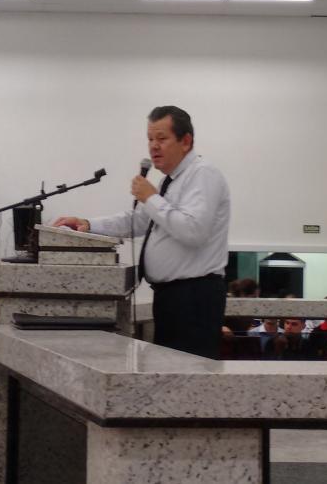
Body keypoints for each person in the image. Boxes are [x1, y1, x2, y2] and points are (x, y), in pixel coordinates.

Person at [54, 106, 231, 359]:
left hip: (194, 296)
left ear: (185, 141)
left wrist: (150, 197)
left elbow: (194, 231)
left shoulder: (203, 174)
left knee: (187, 373)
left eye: (162, 138)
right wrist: (87, 224)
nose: (153, 146)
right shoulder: (170, 180)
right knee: (169, 370)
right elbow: (138, 221)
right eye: (150, 139)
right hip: (172, 296)